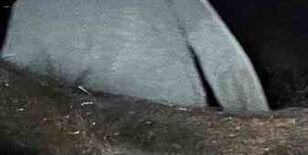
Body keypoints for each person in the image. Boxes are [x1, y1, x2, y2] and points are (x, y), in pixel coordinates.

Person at [2, 0, 269, 114]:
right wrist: (256, 127)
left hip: (95, 138)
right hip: (176, 124)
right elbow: (223, 56)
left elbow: (14, 88)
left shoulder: (34, 6)